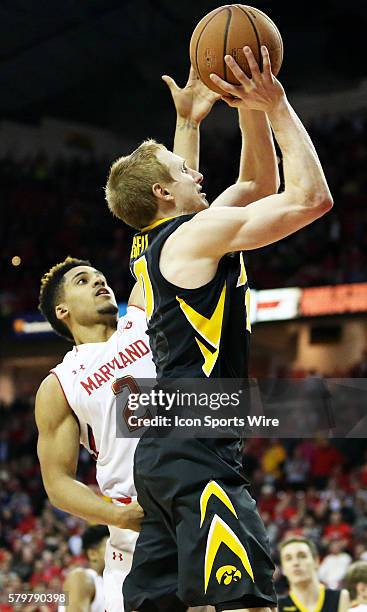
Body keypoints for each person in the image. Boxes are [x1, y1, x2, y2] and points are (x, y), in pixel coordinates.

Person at [105, 46, 333, 612]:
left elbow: (256, 181)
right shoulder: (190, 237)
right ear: (162, 193)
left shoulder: (156, 244)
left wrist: (241, 103)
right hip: (194, 439)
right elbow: (310, 198)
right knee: (247, 603)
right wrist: (276, 104)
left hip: (168, 448)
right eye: (185, 172)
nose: (198, 171)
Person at [36, 68, 220, 612]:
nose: (99, 279)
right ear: (63, 311)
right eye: (83, 279)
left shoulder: (143, 313)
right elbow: (57, 481)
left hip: (195, 497)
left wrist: (187, 122)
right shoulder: (60, 383)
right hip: (134, 532)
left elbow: (176, 220)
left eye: (98, 273)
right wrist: (115, 515)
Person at [278, 537, 350, 612]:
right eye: (288, 558)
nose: (295, 563)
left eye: (302, 556)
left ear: (316, 561)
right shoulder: (278, 606)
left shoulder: (340, 597)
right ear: (283, 569)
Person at [59, 525, 109, 612]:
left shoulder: (113, 584)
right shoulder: (81, 577)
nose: (118, 552)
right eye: (112, 546)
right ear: (93, 554)